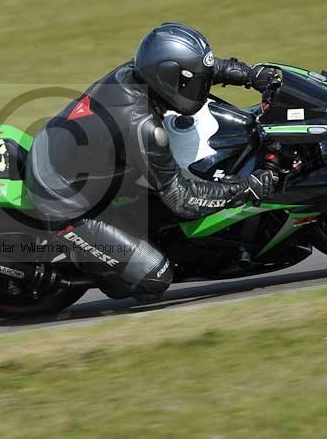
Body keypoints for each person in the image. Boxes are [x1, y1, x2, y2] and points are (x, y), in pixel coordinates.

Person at [25, 23, 280, 302]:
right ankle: (96, 266)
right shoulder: (143, 126)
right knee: (155, 277)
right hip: (64, 202)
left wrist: (249, 75)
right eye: (191, 81)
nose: (198, 86)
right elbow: (181, 200)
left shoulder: (136, 72)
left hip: (67, 155)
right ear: (168, 78)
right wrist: (245, 189)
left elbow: (201, 69)